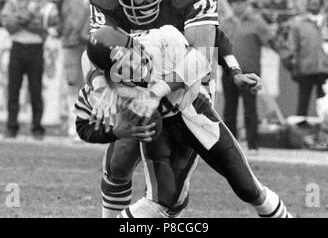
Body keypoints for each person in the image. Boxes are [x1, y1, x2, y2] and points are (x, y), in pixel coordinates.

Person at [85, 0, 276, 217]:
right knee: (118, 163)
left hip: (187, 96)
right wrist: (98, 86)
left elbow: (206, 49)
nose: (138, 2)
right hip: (140, 92)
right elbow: (94, 50)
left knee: (176, 196)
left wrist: (232, 69)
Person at [79, 24, 292, 218]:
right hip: (159, 128)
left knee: (247, 187)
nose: (134, 64)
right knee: (162, 200)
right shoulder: (105, 83)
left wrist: (155, 93)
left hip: (194, 113)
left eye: (132, 55)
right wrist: (112, 119)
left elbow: (202, 56)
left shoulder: (165, 39)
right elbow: (84, 118)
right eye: (122, 67)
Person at [221, 0, 278, 152]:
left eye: (241, 1)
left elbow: (271, 41)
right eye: (235, 2)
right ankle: (231, 145)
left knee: (250, 109)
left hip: (250, 71)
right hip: (229, 72)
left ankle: (253, 144)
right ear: (232, 4)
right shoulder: (226, 23)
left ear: (246, 3)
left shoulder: (257, 22)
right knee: (229, 110)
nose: (238, 5)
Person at [49, 0, 98, 138]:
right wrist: (56, 21)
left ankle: (92, 125)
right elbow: (52, 0)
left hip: (94, 44)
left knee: (93, 84)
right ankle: (74, 125)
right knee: (73, 83)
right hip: (71, 42)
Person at [1, 0, 48, 139]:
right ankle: (11, 127)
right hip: (17, 47)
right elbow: (7, 24)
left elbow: (44, 26)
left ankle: (37, 128)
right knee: (13, 89)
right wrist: (28, 17)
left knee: (36, 90)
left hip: (36, 48)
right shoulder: (12, 0)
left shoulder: (42, 0)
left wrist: (20, 18)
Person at [282, 0, 328, 116]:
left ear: (322, 6)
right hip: (306, 67)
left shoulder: (326, 22)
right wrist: (291, 65)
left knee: (325, 104)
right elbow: (292, 46)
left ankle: (324, 133)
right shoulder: (299, 24)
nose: (314, 5)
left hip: (325, 69)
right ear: (307, 5)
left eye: (316, 3)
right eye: (311, 3)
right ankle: (300, 133)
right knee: (303, 103)